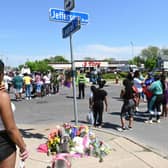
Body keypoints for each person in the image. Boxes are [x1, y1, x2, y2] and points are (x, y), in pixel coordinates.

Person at [0, 60, 29, 168]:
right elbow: (11, 128)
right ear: (1, 74)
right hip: (3, 143)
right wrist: (22, 146)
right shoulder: (2, 97)